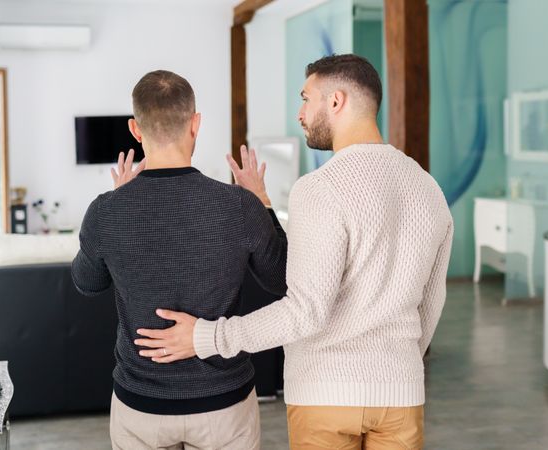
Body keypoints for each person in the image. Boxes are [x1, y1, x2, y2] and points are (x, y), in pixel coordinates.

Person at [132, 54, 454, 449]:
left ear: (336, 101)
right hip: (402, 395)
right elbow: (431, 302)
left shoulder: (319, 188)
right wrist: (396, 367)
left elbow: (305, 311)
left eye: (306, 98)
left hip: (325, 394)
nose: (300, 113)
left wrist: (209, 337)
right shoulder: (429, 189)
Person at [71, 69, 287, 450]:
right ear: (196, 123)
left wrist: (118, 201)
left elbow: (87, 283)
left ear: (135, 130)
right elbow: (280, 279)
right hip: (224, 406)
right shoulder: (240, 205)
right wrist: (262, 202)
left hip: (141, 406)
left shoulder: (105, 211)